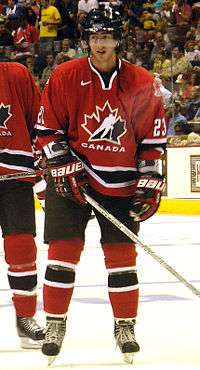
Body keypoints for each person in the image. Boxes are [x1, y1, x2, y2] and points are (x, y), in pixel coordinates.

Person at [36, 7, 166, 365]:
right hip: (72, 182)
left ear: (118, 40)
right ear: (86, 41)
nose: (100, 44)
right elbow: (47, 131)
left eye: (106, 37)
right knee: (61, 255)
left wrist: (149, 180)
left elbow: (152, 142)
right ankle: (55, 324)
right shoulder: (64, 76)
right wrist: (62, 165)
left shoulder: (142, 81)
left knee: (122, 260)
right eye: (94, 38)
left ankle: (125, 326)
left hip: (120, 185)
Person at [0, 62, 44, 348]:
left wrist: (42, 167)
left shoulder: (15, 74)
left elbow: (39, 122)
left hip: (15, 175)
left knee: (22, 247)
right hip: (16, 173)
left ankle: (25, 317)